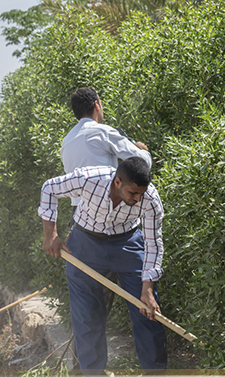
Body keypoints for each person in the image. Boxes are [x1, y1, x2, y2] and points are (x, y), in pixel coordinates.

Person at [39, 157, 167, 374]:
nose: (138, 198)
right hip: (85, 245)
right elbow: (49, 188)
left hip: (127, 244)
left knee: (146, 309)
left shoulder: (150, 199)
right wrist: (50, 234)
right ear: (117, 182)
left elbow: (153, 243)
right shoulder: (89, 179)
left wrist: (147, 287)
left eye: (141, 193)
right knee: (87, 314)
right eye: (133, 193)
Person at [61, 87, 153, 316]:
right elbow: (142, 163)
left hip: (80, 221)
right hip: (110, 216)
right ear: (97, 105)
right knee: (134, 290)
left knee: (89, 299)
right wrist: (142, 150)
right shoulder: (103, 132)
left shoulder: (67, 141)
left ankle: (84, 340)